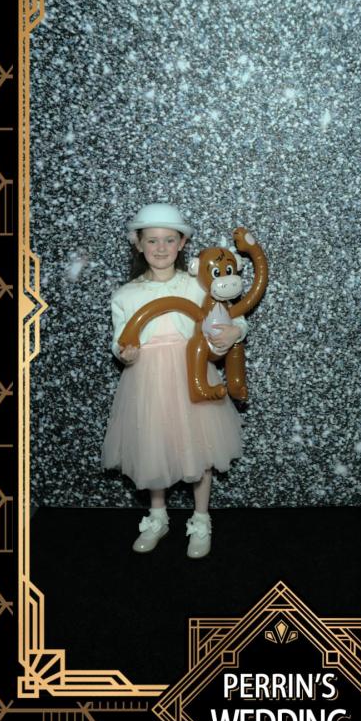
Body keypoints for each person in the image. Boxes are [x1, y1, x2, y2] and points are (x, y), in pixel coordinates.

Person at [102, 202, 246, 558]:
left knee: (202, 444)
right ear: (138, 244)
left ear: (182, 243)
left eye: (169, 240)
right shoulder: (126, 294)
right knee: (153, 442)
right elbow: (120, 339)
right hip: (147, 379)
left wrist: (234, 332)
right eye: (152, 240)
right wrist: (124, 352)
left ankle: (201, 519)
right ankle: (158, 516)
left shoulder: (199, 286)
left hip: (191, 373)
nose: (161, 248)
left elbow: (230, 317)